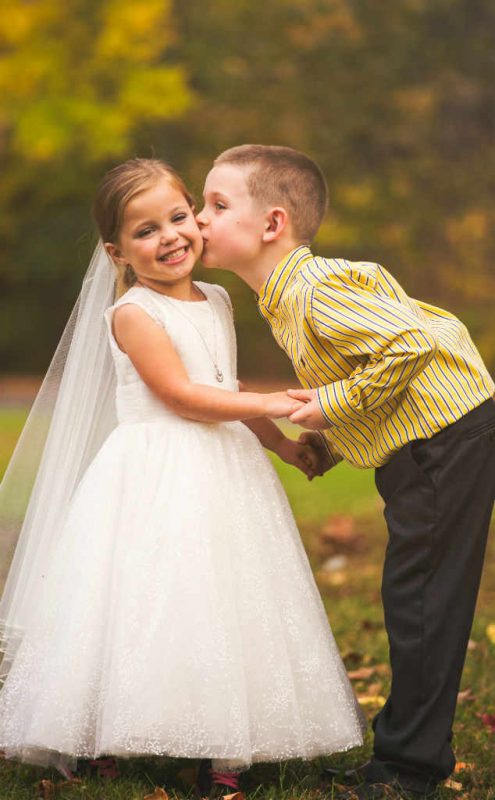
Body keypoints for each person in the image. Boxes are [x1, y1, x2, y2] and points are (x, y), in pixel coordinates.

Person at [0, 158, 365, 794]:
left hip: (226, 472)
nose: (169, 237)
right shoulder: (134, 313)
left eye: (177, 218)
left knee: (225, 597)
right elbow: (183, 396)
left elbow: (223, 385)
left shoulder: (217, 299)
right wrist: (275, 400)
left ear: (195, 217)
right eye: (145, 231)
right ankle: (97, 730)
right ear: (117, 252)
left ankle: (225, 742)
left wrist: (280, 445)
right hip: (156, 473)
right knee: (140, 600)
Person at [196, 144, 495, 799]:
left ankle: (408, 771)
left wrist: (332, 406)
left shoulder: (311, 290)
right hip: (434, 436)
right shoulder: (291, 293)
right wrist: (332, 438)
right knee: (416, 597)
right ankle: (405, 755)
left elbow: (410, 344)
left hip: (443, 440)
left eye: (216, 205)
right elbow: (374, 358)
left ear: (272, 224)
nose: (198, 219)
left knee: (422, 601)